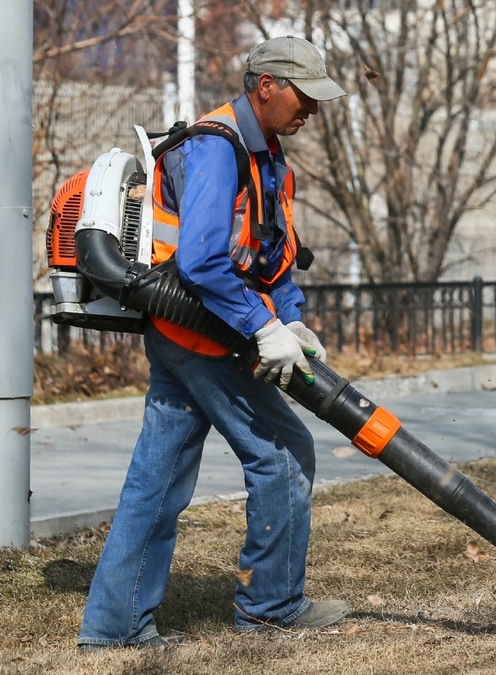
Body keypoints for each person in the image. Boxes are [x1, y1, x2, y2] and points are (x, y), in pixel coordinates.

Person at [78, 36, 349, 651]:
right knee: (282, 453)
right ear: (265, 87)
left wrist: (291, 322)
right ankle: (270, 606)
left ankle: (114, 627)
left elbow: (272, 254)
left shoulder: (268, 154)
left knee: (159, 479)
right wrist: (261, 329)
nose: (313, 110)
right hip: (199, 333)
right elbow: (201, 261)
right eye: (304, 96)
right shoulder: (217, 147)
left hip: (193, 334)